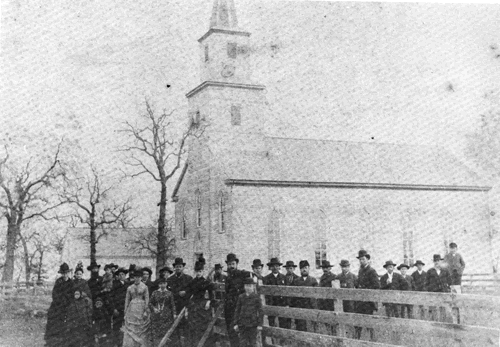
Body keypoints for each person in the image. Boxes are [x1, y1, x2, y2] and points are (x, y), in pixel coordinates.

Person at [186, 257, 215, 347]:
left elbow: (211, 295)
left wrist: (209, 302)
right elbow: (188, 296)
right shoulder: (192, 282)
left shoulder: (206, 282)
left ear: (203, 271)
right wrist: (187, 309)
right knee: (193, 328)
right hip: (194, 306)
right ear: (195, 272)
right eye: (197, 271)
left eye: (200, 271)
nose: (198, 273)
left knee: (203, 327)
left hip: (203, 306)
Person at [45, 262, 74, 347]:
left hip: (67, 305)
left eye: (66, 273)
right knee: (53, 317)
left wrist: (66, 300)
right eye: (63, 273)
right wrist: (59, 300)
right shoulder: (58, 281)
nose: (64, 275)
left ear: (68, 273)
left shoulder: (71, 283)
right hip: (57, 304)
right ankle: (52, 338)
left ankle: (64, 339)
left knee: (65, 321)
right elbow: (55, 293)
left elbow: (71, 294)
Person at [224, 253, 250, 347]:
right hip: (229, 308)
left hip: (238, 308)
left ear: (236, 264)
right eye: (229, 264)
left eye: (233, 264)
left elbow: (248, 276)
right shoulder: (227, 278)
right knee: (230, 332)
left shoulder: (241, 274)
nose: (231, 266)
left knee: (239, 331)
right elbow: (226, 292)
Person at [167, 257, 193, 347]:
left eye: (180, 266)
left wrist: (186, 293)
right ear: (174, 268)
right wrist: (178, 293)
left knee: (186, 328)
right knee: (175, 329)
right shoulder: (170, 279)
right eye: (177, 266)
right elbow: (169, 293)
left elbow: (192, 291)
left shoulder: (189, 279)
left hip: (185, 307)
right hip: (174, 307)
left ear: (183, 267)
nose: (178, 268)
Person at [354, 250, 380, 341]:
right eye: (360, 259)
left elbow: (377, 286)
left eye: (363, 259)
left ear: (368, 260)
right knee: (358, 322)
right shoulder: (360, 271)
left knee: (369, 323)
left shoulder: (372, 271)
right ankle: (356, 340)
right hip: (360, 302)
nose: (361, 261)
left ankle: (373, 341)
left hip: (368, 302)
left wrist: (365, 288)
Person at [122, 269, 151, 347]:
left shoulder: (145, 287)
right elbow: (127, 300)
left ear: (141, 278)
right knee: (131, 327)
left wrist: (146, 311)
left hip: (141, 308)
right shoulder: (130, 288)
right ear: (133, 278)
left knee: (141, 327)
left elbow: (147, 299)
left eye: (138, 277)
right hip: (132, 309)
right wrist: (125, 311)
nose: (137, 278)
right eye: (135, 277)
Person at [232, 276, 263, 347]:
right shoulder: (241, 297)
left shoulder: (256, 298)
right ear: (244, 286)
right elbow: (237, 310)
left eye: (250, 286)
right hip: (242, 324)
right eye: (246, 286)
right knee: (243, 343)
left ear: (253, 287)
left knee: (253, 343)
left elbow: (261, 312)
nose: (248, 288)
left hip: (253, 324)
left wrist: (260, 324)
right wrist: (235, 323)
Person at [293, 260, 318, 340]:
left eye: (306, 268)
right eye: (302, 268)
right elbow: (293, 296)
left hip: (310, 307)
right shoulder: (296, 281)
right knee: (301, 328)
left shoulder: (313, 280)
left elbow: (317, 294)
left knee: (311, 329)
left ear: (309, 268)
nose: (304, 270)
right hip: (300, 307)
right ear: (300, 270)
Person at [149, 278, 176, 347]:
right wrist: (154, 309)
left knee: (165, 333)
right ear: (158, 284)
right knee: (156, 333)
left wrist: (174, 314)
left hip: (166, 316)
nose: (162, 285)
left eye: (164, 283)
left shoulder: (169, 293)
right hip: (156, 315)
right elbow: (150, 303)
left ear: (166, 284)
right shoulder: (155, 292)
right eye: (160, 283)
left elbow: (172, 304)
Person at [426, 254, 452, 322]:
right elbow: (426, 283)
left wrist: (447, 289)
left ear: (440, 261)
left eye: (438, 261)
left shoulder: (445, 271)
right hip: (433, 293)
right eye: (435, 261)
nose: (437, 262)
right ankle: (433, 323)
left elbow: (450, 282)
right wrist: (429, 290)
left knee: (442, 308)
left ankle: (442, 323)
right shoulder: (430, 271)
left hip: (443, 292)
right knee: (433, 308)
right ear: (433, 262)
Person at [110, 267, 129, 346]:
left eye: (123, 274)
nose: (121, 276)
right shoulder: (114, 284)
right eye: (119, 274)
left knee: (126, 327)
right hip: (117, 309)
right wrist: (114, 309)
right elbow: (111, 298)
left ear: (125, 275)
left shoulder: (128, 285)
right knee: (116, 328)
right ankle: (116, 344)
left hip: (126, 309)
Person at [318, 260, 337, 335]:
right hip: (324, 303)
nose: (325, 269)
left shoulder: (334, 277)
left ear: (329, 268)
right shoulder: (322, 278)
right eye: (323, 268)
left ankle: (334, 336)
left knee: (333, 323)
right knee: (326, 322)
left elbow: (336, 291)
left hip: (331, 303)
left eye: (326, 268)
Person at [283, 260, 300, 330]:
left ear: (294, 269)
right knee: (287, 320)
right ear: (286, 269)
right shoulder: (283, 278)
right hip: (286, 302)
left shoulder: (298, 278)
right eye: (288, 268)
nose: (289, 270)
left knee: (297, 319)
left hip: (295, 302)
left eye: (291, 268)